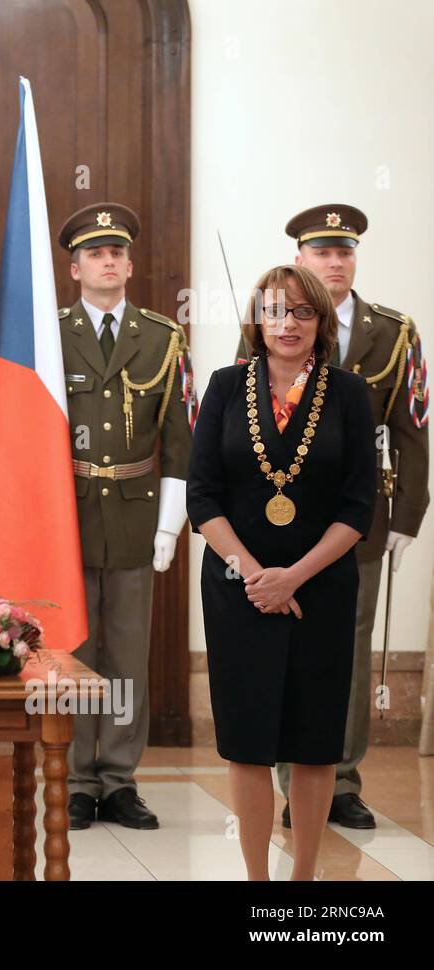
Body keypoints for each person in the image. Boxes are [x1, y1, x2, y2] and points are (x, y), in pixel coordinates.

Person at [235, 205, 429, 829]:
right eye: (322, 252)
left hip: (357, 514)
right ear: (300, 259)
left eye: (344, 252)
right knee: (284, 643)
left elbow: (413, 428)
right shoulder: (273, 321)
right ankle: (295, 780)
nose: (335, 262)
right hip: (278, 515)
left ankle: (340, 778)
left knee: (345, 644)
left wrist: (408, 516)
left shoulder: (394, 332)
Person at [190, 264, 375, 880]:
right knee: (247, 740)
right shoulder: (223, 385)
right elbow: (203, 498)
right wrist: (253, 575)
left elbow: (358, 507)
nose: (287, 323)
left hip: (319, 587)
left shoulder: (348, 392)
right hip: (236, 590)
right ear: (257, 319)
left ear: (321, 321)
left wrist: (292, 576)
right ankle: (258, 883)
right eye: (275, 310)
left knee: (314, 741)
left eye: (301, 311)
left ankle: (303, 881)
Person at [56, 203, 195, 830]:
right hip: (68, 517)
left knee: (129, 657)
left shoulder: (164, 338)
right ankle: (76, 778)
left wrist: (170, 525)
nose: (107, 262)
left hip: (137, 517)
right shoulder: (51, 333)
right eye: (94, 253)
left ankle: (119, 778)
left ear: (130, 265)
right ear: (75, 268)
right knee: (74, 653)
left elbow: (180, 439)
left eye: (116, 253)